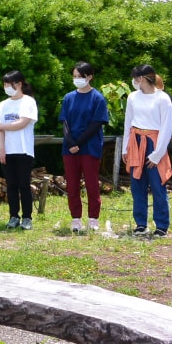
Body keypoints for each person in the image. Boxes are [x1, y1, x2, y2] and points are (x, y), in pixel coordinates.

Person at [121, 64, 172, 237]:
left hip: (154, 142)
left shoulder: (163, 98)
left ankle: (161, 225)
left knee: (158, 185)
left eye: (135, 78)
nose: (134, 81)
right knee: (138, 185)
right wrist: (125, 148)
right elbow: (128, 123)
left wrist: (157, 154)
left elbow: (166, 128)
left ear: (141, 79)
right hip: (135, 141)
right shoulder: (132, 97)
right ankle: (141, 223)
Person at [59, 62, 110, 233]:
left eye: (80, 76)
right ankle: (75, 218)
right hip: (69, 148)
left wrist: (78, 143)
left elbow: (96, 124)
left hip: (90, 147)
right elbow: (64, 122)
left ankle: (93, 218)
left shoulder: (98, 98)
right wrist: (70, 142)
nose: (76, 79)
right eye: (74, 76)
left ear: (89, 77)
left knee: (91, 183)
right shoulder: (68, 98)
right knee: (72, 184)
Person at [0, 70, 38, 230]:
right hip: (7, 150)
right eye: (4, 84)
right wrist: (1, 149)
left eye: (9, 84)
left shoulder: (28, 102)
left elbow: (22, 123)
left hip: (24, 150)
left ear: (18, 84)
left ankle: (27, 218)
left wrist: (1, 126)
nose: (6, 87)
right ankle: (14, 216)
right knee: (11, 185)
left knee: (23, 184)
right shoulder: (3, 105)